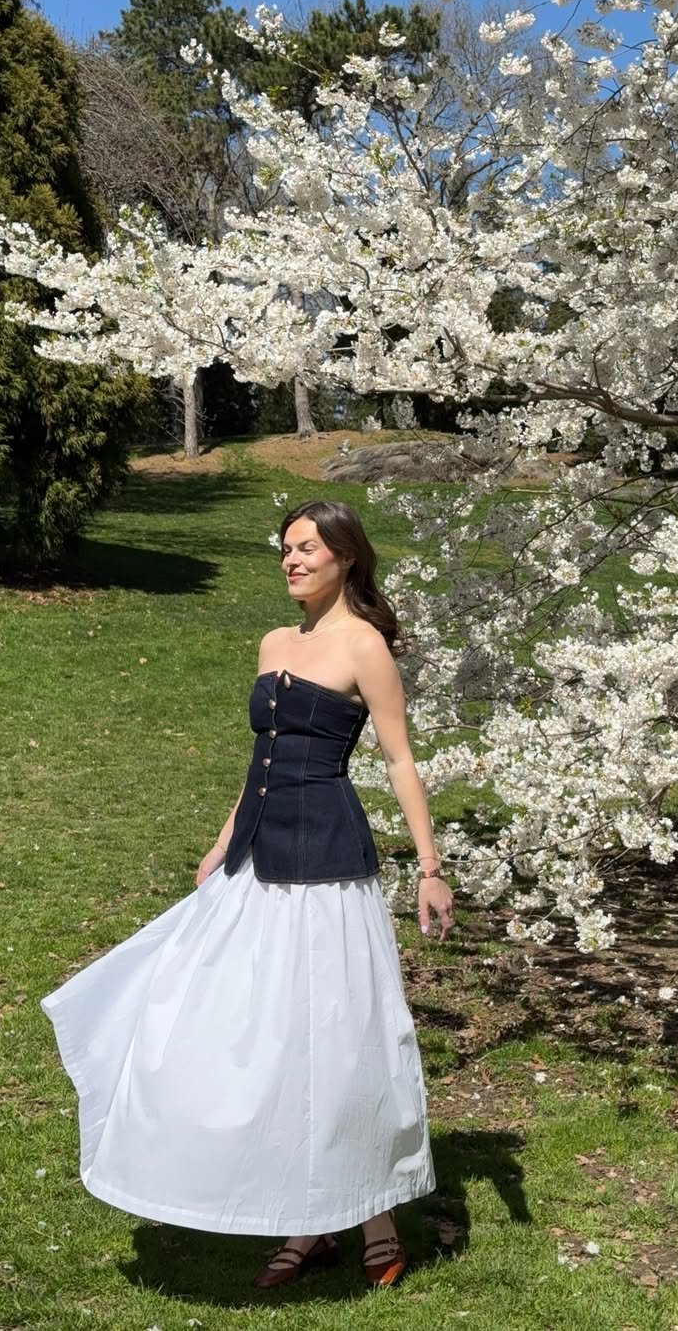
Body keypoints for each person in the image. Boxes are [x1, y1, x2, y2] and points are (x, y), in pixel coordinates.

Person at [40, 498, 455, 1291]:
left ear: (346, 557)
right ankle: (305, 1220)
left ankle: (370, 1218)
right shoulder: (272, 642)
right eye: (286, 548)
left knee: (335, 1038)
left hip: (327, 864)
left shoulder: (363, 645)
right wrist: (223, 839)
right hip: (256, 859)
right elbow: (263, 758)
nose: (292, 560)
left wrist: (430, 868)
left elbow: (400, 759)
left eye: (308, 548)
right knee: (245, 1028)